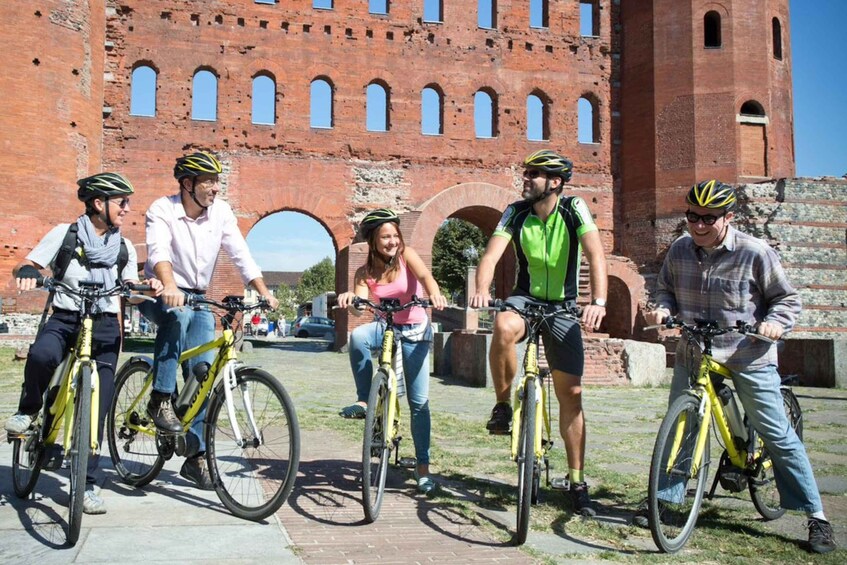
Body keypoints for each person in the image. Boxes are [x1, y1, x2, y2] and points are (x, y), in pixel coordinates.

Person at [635, 179, 836, 553]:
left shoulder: (755, 252)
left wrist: (774, 322)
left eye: (707, 218)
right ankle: (666, 499)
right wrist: (663, 308)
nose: (697, 225)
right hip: (696, 353)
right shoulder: (680, 250)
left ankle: (816, 516)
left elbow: (787, 300)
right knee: (684, 426)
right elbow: (664, 288)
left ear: (728, 217)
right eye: (692, 216)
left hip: (748, 354)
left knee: (777, 434)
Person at [4, 172, 163, 514]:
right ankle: (28, 410)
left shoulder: (122, 246)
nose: (126, 208)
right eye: (122, 202)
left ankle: (87, 484)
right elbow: (28, 263)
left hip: (104, 326)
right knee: (42, 355)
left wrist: (146, 288)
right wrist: (29, 274)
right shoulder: (65, 234)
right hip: (65, 317)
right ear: (98, 203)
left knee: (99, 406)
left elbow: (129, 292)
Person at [469, 150, 608, 517]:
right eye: (526, 172)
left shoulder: (574, 208)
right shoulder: (515, 212)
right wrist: (482, 288)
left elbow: (595, 255)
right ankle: (502, 406)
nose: (525, 178)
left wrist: (598, 301)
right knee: (502, 325)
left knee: (571, 397)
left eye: (534, 174)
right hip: (525, 299)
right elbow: (491, 255)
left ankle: (577, 481)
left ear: (556, 182)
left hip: (563, 306)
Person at [139, 151, 279, 490]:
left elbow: (240, 254)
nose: (215, 188)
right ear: (188, 184)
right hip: (159, 290)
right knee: (175, 317)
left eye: (217, 182)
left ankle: (195, 456)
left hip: (199, 295)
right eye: (208, 182)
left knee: (201, 375)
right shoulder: (162, 209)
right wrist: (169, 286)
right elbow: (158, 252)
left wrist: (263, 291)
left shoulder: (221, 213)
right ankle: (160, 398)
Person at [336, 209, 448, 494]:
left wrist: (434, 293)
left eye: (395, 236)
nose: (392, 241)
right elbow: (360, 305)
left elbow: (425, 276)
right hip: (385, 328)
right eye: (385, 237)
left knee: (418, 401)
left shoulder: (405, 256)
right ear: (373, 240)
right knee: (358, 336)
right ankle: (364, 400)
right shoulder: (364, 272)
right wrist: (352, 300)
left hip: (414, 332)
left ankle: (423, 469)